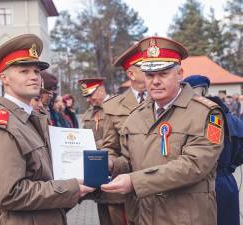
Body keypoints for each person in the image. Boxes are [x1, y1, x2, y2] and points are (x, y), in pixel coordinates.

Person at [0, 34, 94, 225]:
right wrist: (70, 188)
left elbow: (44, 176)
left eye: (36, 71)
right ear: (4, 78)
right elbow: (9, 193)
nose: (34, 77)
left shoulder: (27, 119)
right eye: (24, 71)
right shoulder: (1, 126)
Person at [101, 36, 224, 225]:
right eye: (150, 75)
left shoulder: (207, 114)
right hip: (143, 216)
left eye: (163, 74)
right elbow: (128, 160)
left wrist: (135, 181)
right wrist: (111, 165)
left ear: (180, 73)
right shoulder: (136, 115)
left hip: (186, 218)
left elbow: (193, 166)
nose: (155, 81)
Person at [183, 74, 242, 225]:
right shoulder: (231, 118)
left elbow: (208, 153)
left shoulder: (209, 117)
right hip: (226, 181)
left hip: (208, 184)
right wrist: (231, 166)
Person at [102, 41, 147, 225]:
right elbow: (110, 146)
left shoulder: (164, 100)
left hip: (162, 187)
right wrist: (111, 162)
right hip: (127, 187)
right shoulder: (113, 106)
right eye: (146, 68)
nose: (153, 70)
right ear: (131, 74)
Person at [79, 77, 118, 225]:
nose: (89, 100)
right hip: (97, 172)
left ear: (101, 90)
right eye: (86, 97)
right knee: (104, 215)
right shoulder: (89, 113)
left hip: (115, 170)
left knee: (118, 215)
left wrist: (94, 145)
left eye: (91, 95)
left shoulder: (116, 108)